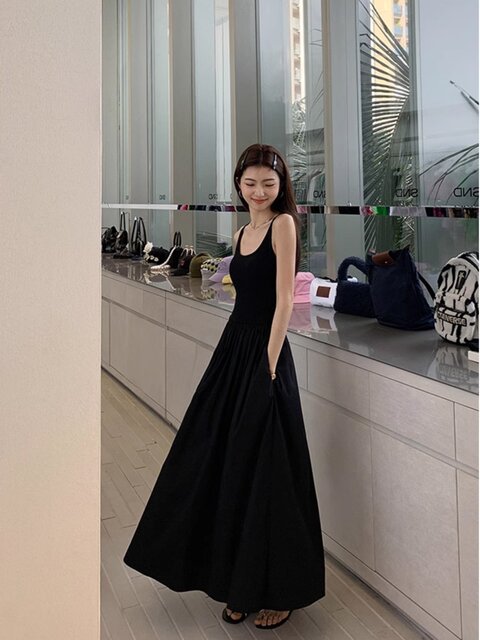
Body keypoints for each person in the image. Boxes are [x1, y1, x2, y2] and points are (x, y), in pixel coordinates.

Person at [124, 143, 325, 630]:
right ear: (239, 184)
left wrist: (269, 365)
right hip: (234, 348)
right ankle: (238, 582)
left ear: (281, 186)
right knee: (220, 460)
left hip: (265, 354)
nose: (259, 191)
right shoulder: (240, 232)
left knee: (270, 472)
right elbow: (241, 294)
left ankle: (280, 591)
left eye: (268, 184)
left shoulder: (283, 225)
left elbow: (283, 301)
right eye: (250, 183)